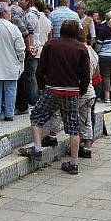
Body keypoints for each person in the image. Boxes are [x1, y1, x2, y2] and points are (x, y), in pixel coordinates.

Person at [24, 20, 90, 176]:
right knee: (73, 127)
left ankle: (37, 149)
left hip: (52, 90)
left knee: (37, 116)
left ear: (61, 30)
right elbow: (85, 75)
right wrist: (81, 91)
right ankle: (74, 163)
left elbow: (40, 70)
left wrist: (42, 86)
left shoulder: (51, 45)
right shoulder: (81, 48)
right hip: (72, 92)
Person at [17, 0, 40, 109]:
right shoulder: (30, 13)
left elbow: (29, 31)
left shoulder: (29, 15)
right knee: (30, 75)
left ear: (27, 1)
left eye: (21, 0)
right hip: (33, 47)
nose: (19, 1)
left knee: (29, 76)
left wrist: (30, 46)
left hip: (30, 48)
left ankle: (33, 100)